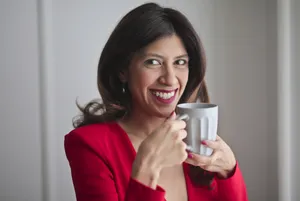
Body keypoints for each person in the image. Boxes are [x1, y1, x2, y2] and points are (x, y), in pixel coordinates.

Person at [64, 2, 248, 201]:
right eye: (153, 62)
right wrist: (145, 169)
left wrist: (230, 171)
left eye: (180, 62)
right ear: (122, 71)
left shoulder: (198, 142)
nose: (169, 79)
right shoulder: (89, 145)